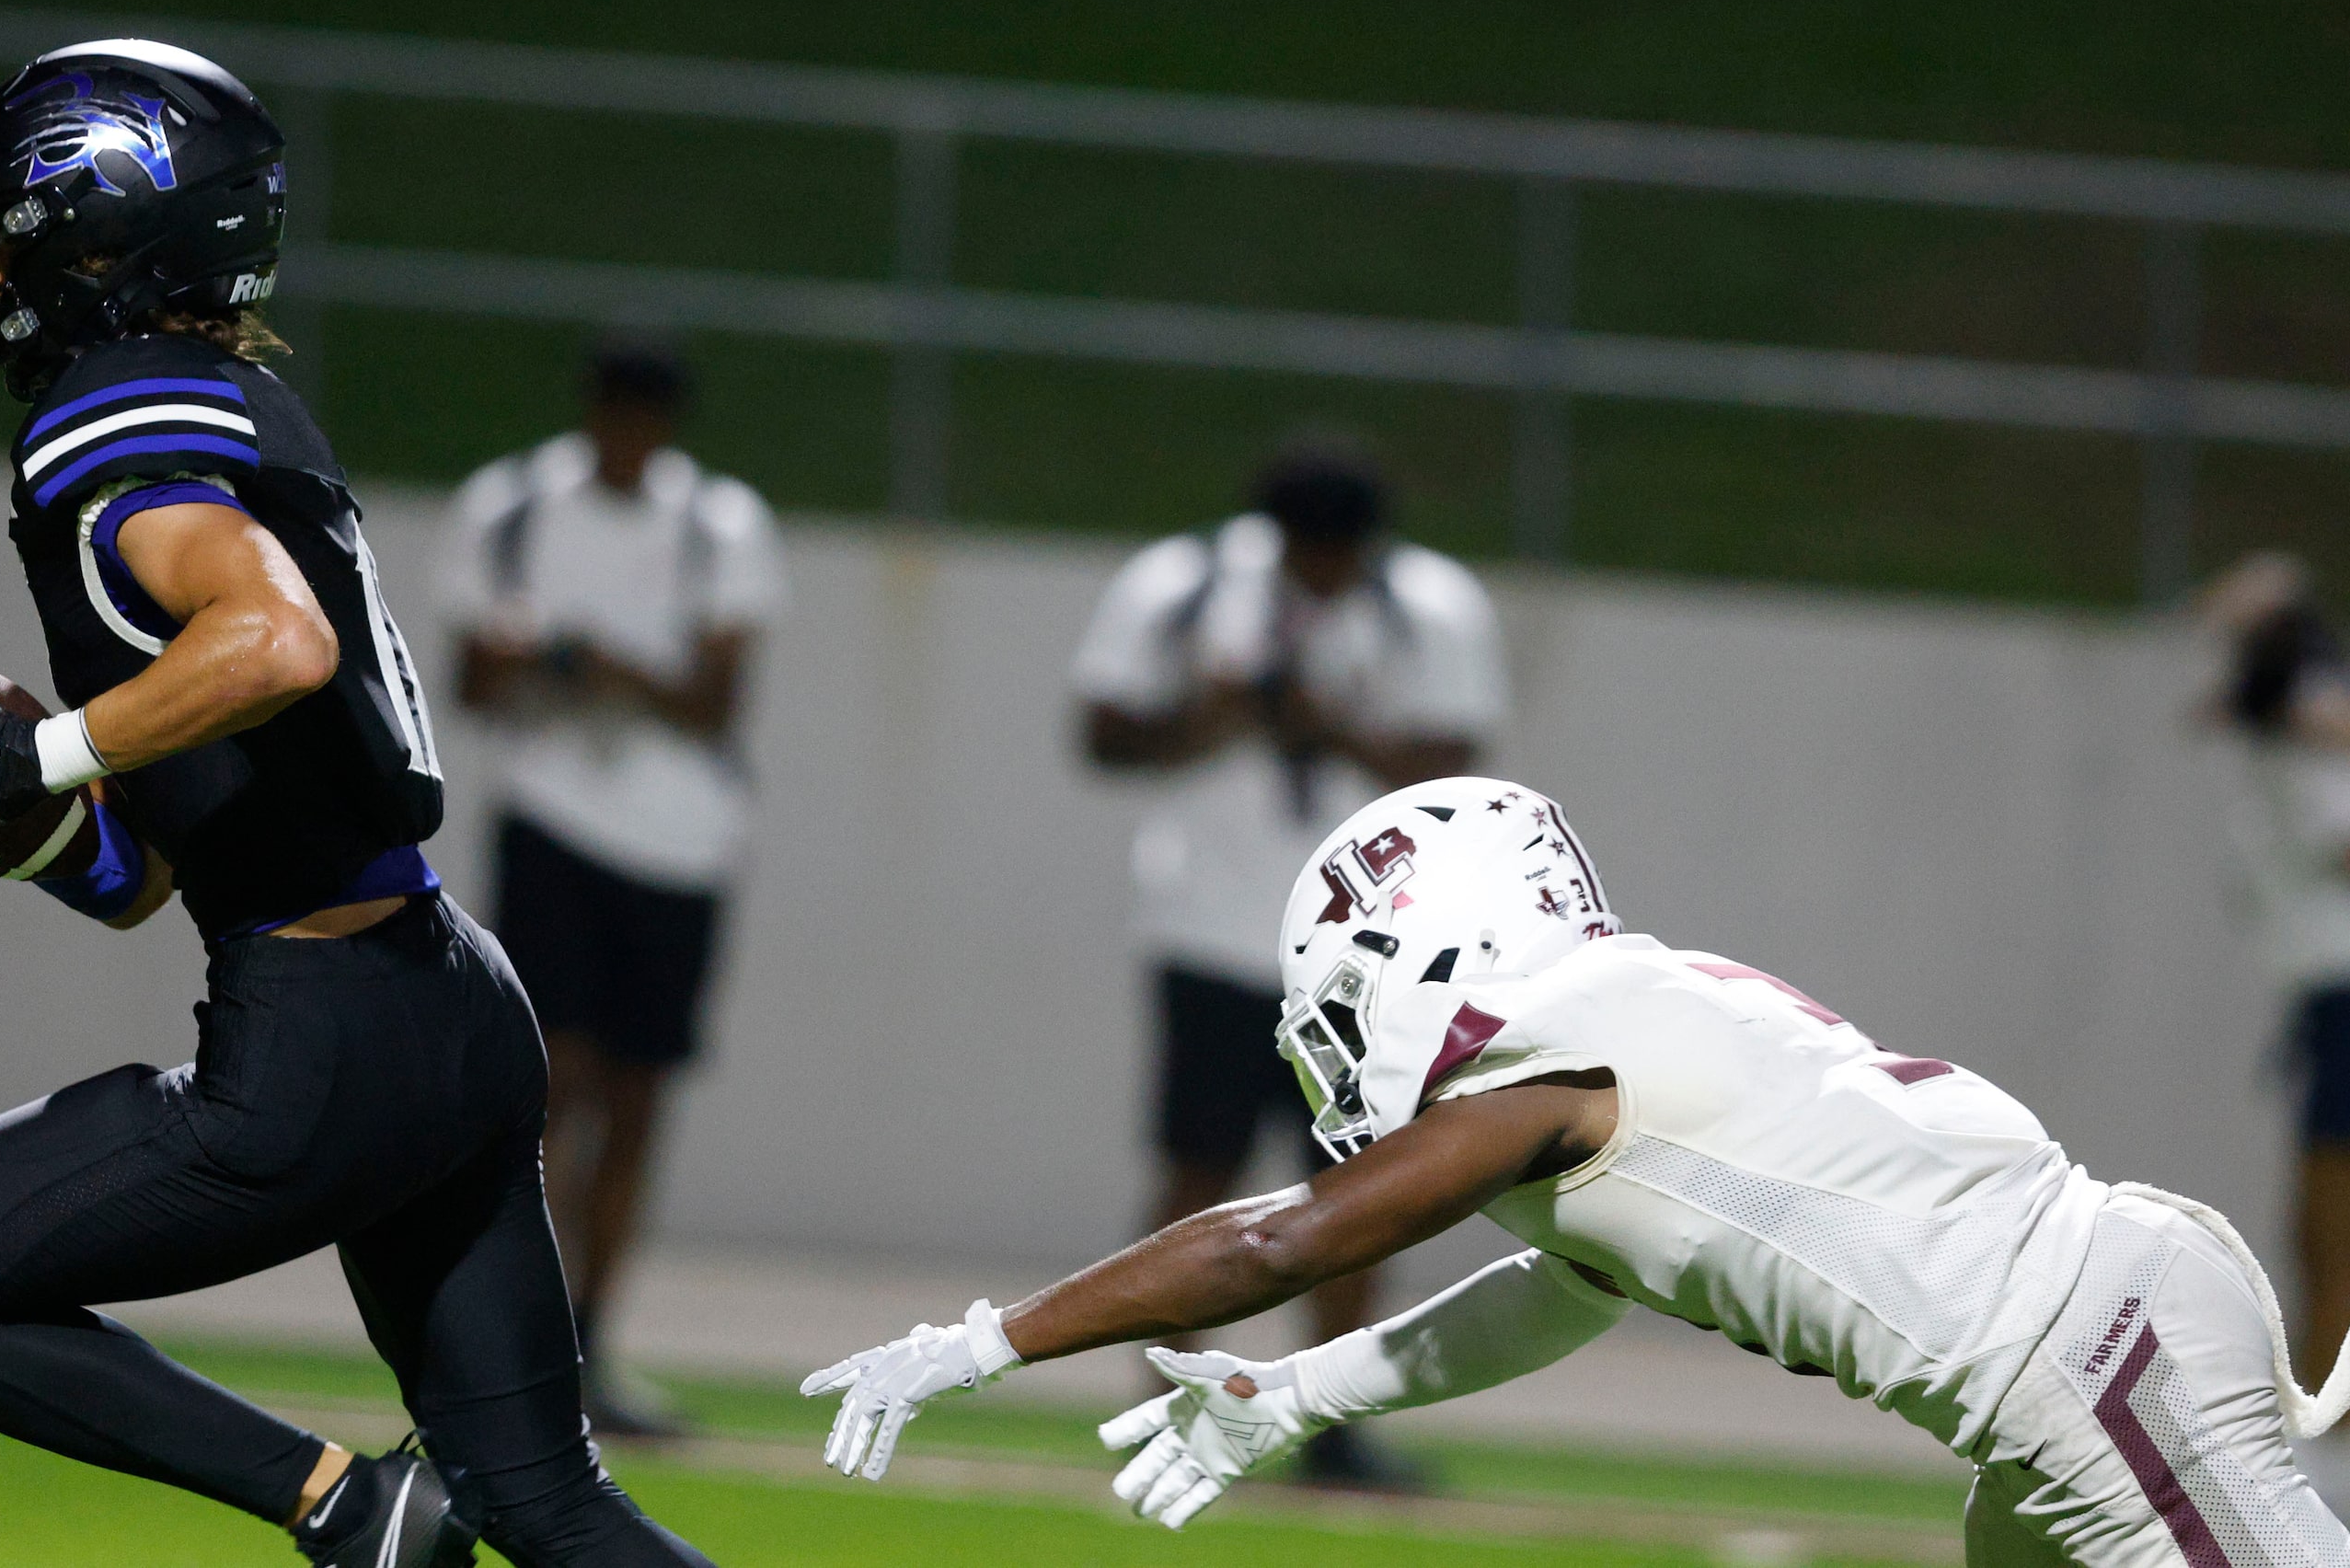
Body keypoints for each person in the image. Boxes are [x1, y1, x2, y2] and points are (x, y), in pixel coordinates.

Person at [0, 40, 712, 1568]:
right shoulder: (222, 395)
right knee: (551, 1506)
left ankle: (342, 1506)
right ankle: (378, 1513)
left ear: (91, 226)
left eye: (13, 223)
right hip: (452, 1003)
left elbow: (276, 637)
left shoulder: (110, 418)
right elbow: (148, 873)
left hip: (321, 1040)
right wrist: (42, 825)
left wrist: (42, 757)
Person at [803, 776, 2350, 1563]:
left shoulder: (1546, 1063)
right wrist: (1307, 1392)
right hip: (2094, 1343)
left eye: (1354, 984)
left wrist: (986, 1341)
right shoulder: (1606, 1044)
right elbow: (1571, 1291)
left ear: (1443, 944)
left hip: (2090, 1362)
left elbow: (1280, 1238)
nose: (1339, 1037)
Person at [1068, 435, 1505, 1486]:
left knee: (1361, 1183)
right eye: (1308, 553)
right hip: (1211, 928)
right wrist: (1214, 717)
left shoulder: (1429, 607)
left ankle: (1333, 1420)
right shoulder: (1188, 586)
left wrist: (1334, 722)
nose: (1324, 572)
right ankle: (1170, 1400)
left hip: (1366, 950)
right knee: (1196, 1169)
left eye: (1341, 556)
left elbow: (1456, 769)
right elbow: (1101, 734)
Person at [432, 336, 783, 1435]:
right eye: (612, 412)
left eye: (644, 417)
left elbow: (717, 701)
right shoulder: (513, 504)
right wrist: (539, 657)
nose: (625, 436)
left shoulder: (717, 523)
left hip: (681, 841)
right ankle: (515, 1341)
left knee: (635, 1098)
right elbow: (472, 679)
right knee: (549, 1083)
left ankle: (590, 1343)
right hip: (554, 816)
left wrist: (598, 659)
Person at [2201, 554, 2350, 1394]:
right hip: (2322, 1005)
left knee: (2329, 1234)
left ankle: (2327, 1442)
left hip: (2343, 1001)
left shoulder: (2309, 767)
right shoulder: (2284, 762)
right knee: (2314, 1235)